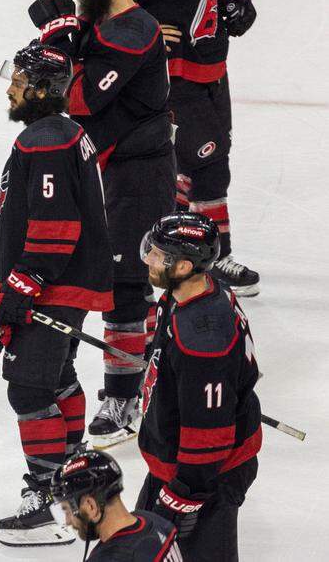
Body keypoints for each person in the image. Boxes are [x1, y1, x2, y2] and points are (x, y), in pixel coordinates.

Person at [28, 0, 175, 448]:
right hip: (106, 166)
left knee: (127, 282)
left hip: (138, 174)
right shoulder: (102, 21)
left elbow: (83, 100)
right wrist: (57, 30)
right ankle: (147, 367)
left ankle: (124, 393)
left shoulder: (134, 30)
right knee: (114, 276)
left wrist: (63, 35)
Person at [0, 43, 112, 547]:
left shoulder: (44, 141)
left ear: (43, 91)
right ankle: (72, 477)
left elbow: (53, 234)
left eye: (20, 82)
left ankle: (50, 501)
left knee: (28, 390)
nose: (10, 88)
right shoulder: (64, 133)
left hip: (53, 287)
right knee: (58, 380)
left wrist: (8, 308)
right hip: (69, 286)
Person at [132, 0, 260, 297]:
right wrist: (145, 27)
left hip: (214, 71)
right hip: (176, 80)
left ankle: (169, 249)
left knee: (201, 162)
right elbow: (107, 13)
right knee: (208, 163)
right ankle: (212, 257)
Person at [135, 212, 261, 561]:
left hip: (205, 477)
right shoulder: (193, 293)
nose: (149, 259)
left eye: (159, 255)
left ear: (183, 266)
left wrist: (186, 495)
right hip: (181, 468)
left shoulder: (203, 338)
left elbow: (210, 434)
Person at [51, 449, 182, 561]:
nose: (68, 521)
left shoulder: (111, 558)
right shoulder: (153, 520)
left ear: (91, 506)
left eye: (67, 510)